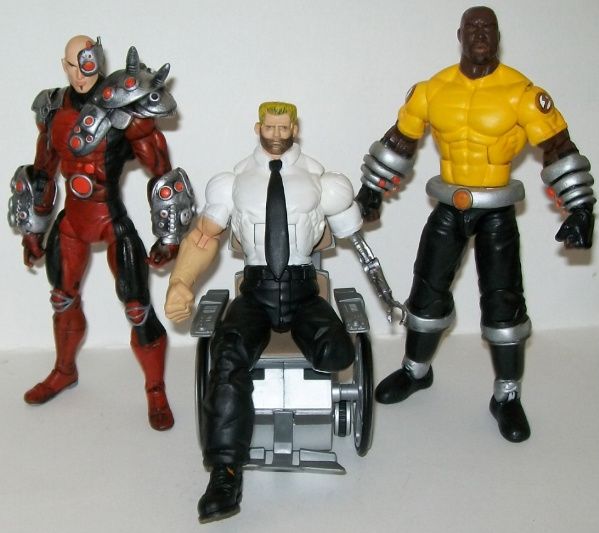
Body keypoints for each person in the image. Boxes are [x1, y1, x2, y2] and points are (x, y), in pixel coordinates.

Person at [356, 6, 595, 443]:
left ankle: (507, 395)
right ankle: (416, 370)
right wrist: (372, 190)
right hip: (449, 206)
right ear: (460, 34)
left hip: (496, 211)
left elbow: (558, 146)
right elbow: (400, 140)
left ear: (498, 36)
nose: (481, 34)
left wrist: (580, 207)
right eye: (473, 27)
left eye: (489, 27)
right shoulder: (433, 89)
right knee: (426, 289)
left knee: (504, 300)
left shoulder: (521, 93)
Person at [165, 101, 398, 522]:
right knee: (228, 352)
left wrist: (385, 292)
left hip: (304, 291)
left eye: (283, 126)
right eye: (269, 126)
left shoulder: (323, 182)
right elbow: (203, 237)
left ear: (295, 127)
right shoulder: (233, 182)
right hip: (255, 293)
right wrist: (181, 281)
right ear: (258, 127)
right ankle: (225, 473)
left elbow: (358, 243)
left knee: (337, 352)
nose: (276, 134)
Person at [8, 35, 193, 431]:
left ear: (99, 61)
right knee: (62, 299)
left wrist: (170, 235)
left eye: (87, 63)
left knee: (137, 307)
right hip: (72, 224)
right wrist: (33, 228)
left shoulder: (126, 110)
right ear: (63, 65)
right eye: (73, 65)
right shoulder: (52, 109)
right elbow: (42, 172)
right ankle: (64, 370)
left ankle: (156, 389)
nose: (81, 73)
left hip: (111, 221)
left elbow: (162, 173)